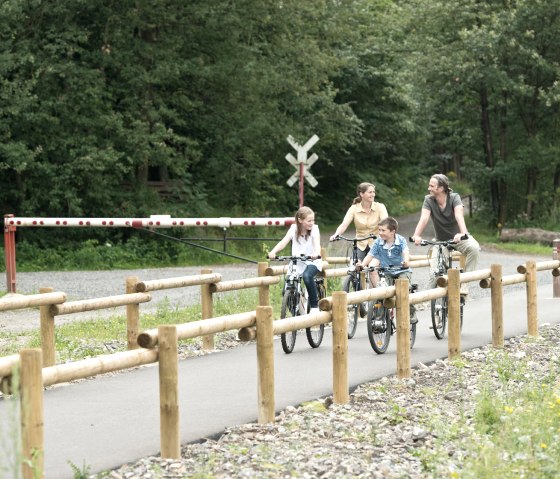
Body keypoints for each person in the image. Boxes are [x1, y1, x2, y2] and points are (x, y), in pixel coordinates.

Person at [410, 173, 480, 292]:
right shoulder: (428, 200)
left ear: (441, 188)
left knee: (474, 248)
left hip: (459, 238)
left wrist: (463, 233)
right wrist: (416, 235)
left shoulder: (454, 197)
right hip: (441, 241)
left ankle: (464, 284)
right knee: (434, 273)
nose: (429, 188)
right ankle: (425, 302)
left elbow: (459, 216)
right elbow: (424, 218)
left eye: (432, 186)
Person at [357, 217, 417, 323]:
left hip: (401, 270)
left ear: (393, 231)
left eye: (383, 230)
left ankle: (411, 313)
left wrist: (406, 262)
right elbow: (370, 255)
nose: (380, 233)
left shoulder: (401, 240)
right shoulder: (378, 242)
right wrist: (362, 264)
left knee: (404, 291)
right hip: (387, 272)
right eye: (379, 230)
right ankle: (379, 318)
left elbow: (405, 252)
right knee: (382, 292)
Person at [268, 206, 322, 314]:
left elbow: (317, 245)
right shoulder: (293, 229)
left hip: (312, 262)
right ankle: (295, 311)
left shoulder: (315, 229)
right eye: (309, 220)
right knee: (287, 288)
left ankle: (315, 306)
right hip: (296, 262)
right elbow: (283, 242)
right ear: (300, 220)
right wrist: (273, 252)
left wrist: (316, 253)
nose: (311, 223)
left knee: (307, 276)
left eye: (313, 220)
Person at [329, 182, 388, 261]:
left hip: (376, 243)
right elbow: (344, 224)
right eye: (370, 192)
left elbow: (386, 223)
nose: (373, 194)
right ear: (362, 194)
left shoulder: (380, 207)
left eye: (374, 192)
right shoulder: (354, 208)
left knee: (373, 267)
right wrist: (336, 234)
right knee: (353, 264)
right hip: (360, 243)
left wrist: (383, 236)